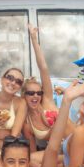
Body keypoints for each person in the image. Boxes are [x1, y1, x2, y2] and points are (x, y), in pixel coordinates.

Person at [22, 24, 59, 153]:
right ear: (24, 96)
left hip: (73, 143)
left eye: (39, 93)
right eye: (31, 93)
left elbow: (43, 68)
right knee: (32, 161)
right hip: (55, 153)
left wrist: (34, 39)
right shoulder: (27, 122)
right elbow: (33, 152)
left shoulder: (47, 100)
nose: (36, 96)